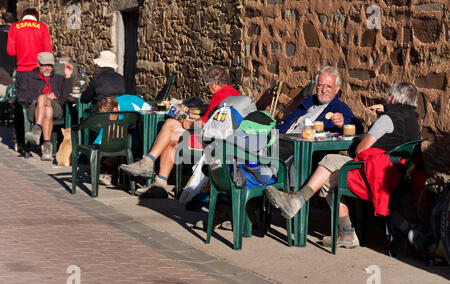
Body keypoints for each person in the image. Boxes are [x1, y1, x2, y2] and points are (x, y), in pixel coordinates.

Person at [265, 82, 421, 249]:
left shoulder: (387, 119)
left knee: (329, 162)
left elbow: (361, 150)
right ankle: (342, 230)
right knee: (325, 179)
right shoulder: (413, 121)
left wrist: (371, 130)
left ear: (394, 99)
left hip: (376, 176)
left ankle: (299, 201)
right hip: (398, 176)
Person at [120, 65, 240, 198]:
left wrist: (189, 123)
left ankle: (149, 163)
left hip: (214, 139)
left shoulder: (220, 94)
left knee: (170, 124)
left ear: (216, 83)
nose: (208, 88)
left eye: (208, 84)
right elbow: (214, 118)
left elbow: (204, 123)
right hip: (224, 136)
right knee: (172, 138)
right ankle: (159, 181)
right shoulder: (233, 93)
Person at [17, 52, 73, 160]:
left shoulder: (58, 78)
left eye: (50, 65)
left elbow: (66, 95)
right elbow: (21, 95)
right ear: (38, 64)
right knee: (46, 107)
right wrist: (45, 96)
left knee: (44, 100)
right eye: (44, 65)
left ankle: (36, 130)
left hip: (56, 107)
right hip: (35, 109)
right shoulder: (30, 77)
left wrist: (68, 76)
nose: (47, 68)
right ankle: (47, 147)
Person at [277, 66, 362, 135]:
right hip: (285, 140)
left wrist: (343, 123)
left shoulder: (338, 107)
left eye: (329, 86)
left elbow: (359, 128)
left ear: (336, 89)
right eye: (320, 86)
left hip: (305, 149)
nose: (324, 90)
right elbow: (288, 121)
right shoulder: (308, 102)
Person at [7, 8, 52, 89]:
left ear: (23, 16)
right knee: (39, 97)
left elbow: (11, 51)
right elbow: (48, 51)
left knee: (23, 98)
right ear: (36, 17)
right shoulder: (43, 27)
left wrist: (21, 50)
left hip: (21, 69)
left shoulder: (14, 27)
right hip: (38, 69)